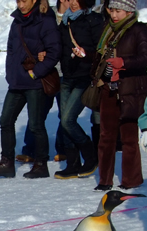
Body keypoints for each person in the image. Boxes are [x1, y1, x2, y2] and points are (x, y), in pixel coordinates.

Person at [0, 0, 61, 179]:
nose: (20, 5)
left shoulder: (45, 20)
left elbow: (54, 51)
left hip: (35, 82)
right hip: (16, 81)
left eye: (24, 1)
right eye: (18, 1)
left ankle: (41, 164)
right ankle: (7, 163)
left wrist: (36, 72)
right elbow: (11, 49)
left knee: (36, 124)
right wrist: (10, 74)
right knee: (6, 120)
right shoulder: (17, 20)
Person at [92, 0, 147, 190]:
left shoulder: (138, 30)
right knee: (106, 136)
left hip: (131, 89)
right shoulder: (107, 29)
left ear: (129, 11)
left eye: (118, 11)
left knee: (128, 136)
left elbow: (145, 57)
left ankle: (131, 179)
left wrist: (122, 62)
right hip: (108, 87)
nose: (114, 15)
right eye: (112, 11)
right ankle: (104, 179)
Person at [16, 0, 70, 165]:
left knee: (65, 114)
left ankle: (63, 149)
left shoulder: (75, 18)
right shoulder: (47, 13)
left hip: (67, 73)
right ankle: (30, 149)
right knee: (37, 112)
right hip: (45, 72)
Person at [54, 0, 103, 179]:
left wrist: (86, 54)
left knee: (68, 119)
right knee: (64, 120)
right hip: (67, 75)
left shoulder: (94, 19)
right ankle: (72, 164)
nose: (73, 3)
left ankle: (90, 155)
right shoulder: (66, 20)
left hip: (85, 77)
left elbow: (100, 50)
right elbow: (58, 46)